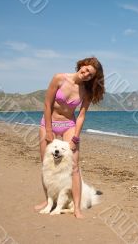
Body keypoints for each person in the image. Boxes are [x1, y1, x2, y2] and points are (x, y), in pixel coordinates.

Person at [34, 57, 105, 218]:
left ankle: (77, 208)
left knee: (74, 166)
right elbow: (47, 104)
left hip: (69, 125)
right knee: (46, 163)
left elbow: (81, 116)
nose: (86, 74)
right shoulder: (59, 78)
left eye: (90, 75)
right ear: (81, 65)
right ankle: (48, 201)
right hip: (49, 123)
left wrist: (75, 138)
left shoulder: (86, 92)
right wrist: (49, 129)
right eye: (86, 70)